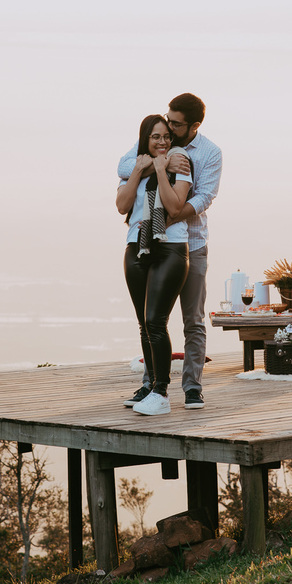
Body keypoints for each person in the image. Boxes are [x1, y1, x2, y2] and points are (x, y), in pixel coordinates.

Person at [117, 93, 222, 410]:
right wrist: (157, 163)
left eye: (176, 124)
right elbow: (124, 165)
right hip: (148, 242)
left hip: (189, 242)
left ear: (194, 125)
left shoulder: (208, 153)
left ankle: (192, 387)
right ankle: (151, 383)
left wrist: (169, 214)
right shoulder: (160, 146)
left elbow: (205, 197)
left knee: (192, 320)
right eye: (167, 121)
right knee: (151, 321)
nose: (170, 129)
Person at [116, 115, 194, 416]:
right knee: (143, 324)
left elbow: (175, 206)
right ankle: (149, 387)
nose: (162, 142)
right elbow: (122, 205)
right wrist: (140, 169)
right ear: (144, 140)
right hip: (136, 246)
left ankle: (161, 392)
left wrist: (162, 171)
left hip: (170, 246)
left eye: (166, 136)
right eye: (155, 137)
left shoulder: (180, 161)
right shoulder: (135, 165)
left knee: (155, 321)